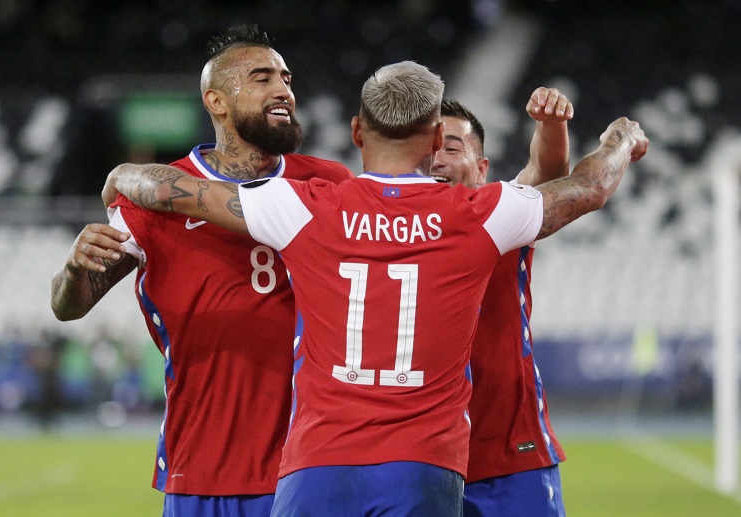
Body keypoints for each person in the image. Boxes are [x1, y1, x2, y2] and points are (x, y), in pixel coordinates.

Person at [101, 61, 648, 516]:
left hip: (317, 461)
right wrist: (620, 140)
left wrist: (127, 174)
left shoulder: (307, 205)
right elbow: (587, 185)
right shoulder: (476, 215)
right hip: (423, 462)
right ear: (434, 138)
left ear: (357, 132)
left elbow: (186, 194)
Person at [50, 25, 353, 517]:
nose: (283, 90)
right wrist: (74, 268)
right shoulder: (149, 200)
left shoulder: (327, 182)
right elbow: (70, 305)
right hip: (204, 463)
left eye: (286, 78)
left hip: (313, 462)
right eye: (262, 78)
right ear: (217, 100)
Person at [430, 92, 571, 516]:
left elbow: (546, 174)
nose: (436, 158)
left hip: (509, 458)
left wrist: (551, 125)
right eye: (427, 148)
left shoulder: (499, 216)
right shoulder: (380, 227)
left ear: (482, 170)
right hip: (418, 461)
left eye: (451, 148)